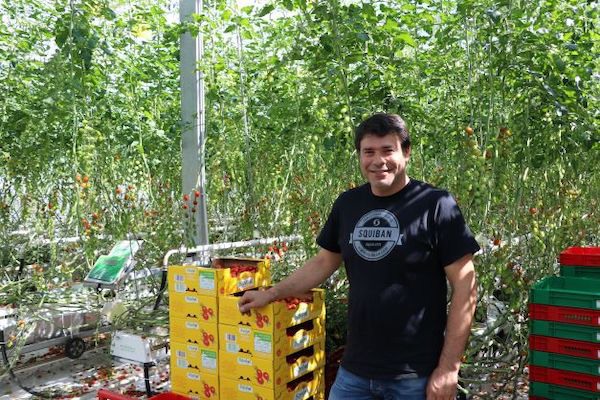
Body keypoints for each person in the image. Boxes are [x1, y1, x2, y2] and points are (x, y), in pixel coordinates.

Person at [238, 113, 480, 400]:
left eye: (388, 150)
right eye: (369, 152)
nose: (378, 161)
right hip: (356, 371)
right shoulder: (349, 204)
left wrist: (449, 368)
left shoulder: (435, 205)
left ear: (407, 152)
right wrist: (271, 293)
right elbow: (323, 261)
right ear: (360, 156)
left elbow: (466, 286)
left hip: (415, 375)